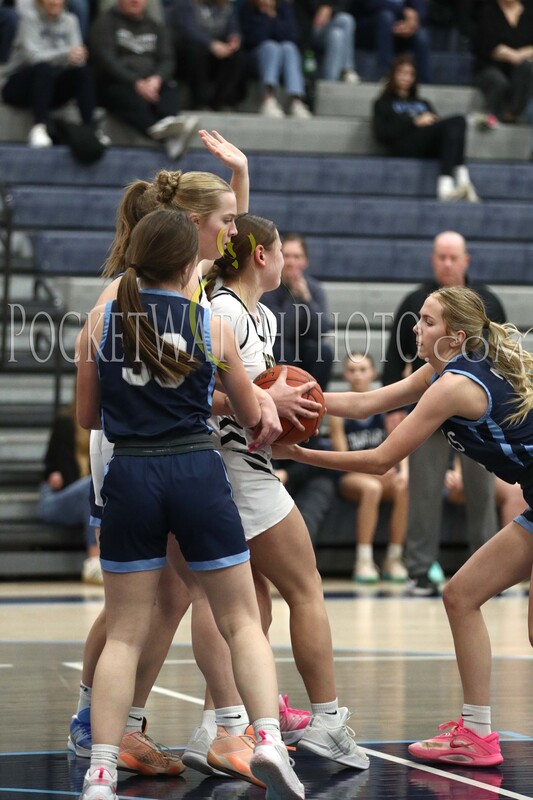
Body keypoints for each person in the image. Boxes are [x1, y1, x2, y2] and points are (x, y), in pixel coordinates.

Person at [69, 134, 313, 779]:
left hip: (148, 444)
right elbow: (116, 400)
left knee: (168, 598)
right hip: (138, 442)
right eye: (226, 221)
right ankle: (112, 717)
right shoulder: (126, 301)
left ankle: (135, 726)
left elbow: (241, 256)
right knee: (156, 602)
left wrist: (241, 172)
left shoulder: (185, 279)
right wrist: (256, 402)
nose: (235, 233)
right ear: (195, 230)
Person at [277, 284, 533, 768]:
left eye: (428, 322)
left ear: (455, 337)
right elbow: (365, 403)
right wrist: (292, 395)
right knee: (460, 595)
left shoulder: (455, 386)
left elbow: (379, 460)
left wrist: (298, 453)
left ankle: (477, 733)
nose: (415, 328)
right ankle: (477, 733)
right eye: (418, 319)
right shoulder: (440, 372)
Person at [203, 213, 370, 776]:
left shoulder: (262, 316)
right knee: (306, 587)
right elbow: (208, 395)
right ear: (261, 257)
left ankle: (224, 726)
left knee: (252, 607)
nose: (285, 261)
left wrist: (283, 409)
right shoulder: (223, 310)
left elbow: (262, 396)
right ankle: (327, 721)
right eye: (278, 251)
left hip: (243, 463)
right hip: (235, 467)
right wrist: (273, 409)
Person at [381, 230, 506, 596]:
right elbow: (395, 358)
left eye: (454, 257)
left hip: (476, 413)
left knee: (481, 490)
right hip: (429, 409)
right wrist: (394, 413)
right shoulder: (415, 301)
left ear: (466, 260)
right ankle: (419, 571)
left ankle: (490, 570)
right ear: (433, 260)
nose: (447, 263)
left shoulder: (488, 303)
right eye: (441, 257)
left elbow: (501, 358)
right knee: (422, 488)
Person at [329, 353, 408, 583]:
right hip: (351, 475)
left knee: (404, 486)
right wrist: (375, 471)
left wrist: (401, 472)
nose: (358, 375)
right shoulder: (338, 410)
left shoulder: (384, 405)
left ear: (373, 374)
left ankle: (394, 559)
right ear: (345, 375)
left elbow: (401, 445)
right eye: (352, 370)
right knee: (372, 488)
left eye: (363, 369)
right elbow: (342, 458)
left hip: (380, 471)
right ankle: (363, 560)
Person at [88, 0, 198, 159]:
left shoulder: (155, 26)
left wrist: (157, 79)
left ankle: (169, 124)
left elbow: (168, 59)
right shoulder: (105, 23)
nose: (135, 1)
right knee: (122, 94)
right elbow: (106, 60)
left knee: (171, 87)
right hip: (119, 81)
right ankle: (163, 132)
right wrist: (135, 82)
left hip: (151, 81)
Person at [373, 54, 480, 202]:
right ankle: (454, 182)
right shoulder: (383, 103)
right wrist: (414, 122)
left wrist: (431, 121)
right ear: (393, 74)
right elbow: (381, 135)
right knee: (455, 123)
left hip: (427, 144)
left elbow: (439, 128)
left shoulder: (423, 102)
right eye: (402, 73)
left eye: (411, 74)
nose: (407, 77)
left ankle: (458, 182)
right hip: (403, 144)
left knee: (458, 122)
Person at [1, 0, 98, 148]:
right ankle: (39, 127)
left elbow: (76, 60)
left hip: (51, 87)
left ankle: (91, 128)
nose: (54, 2)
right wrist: (66, 55)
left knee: (83, 72)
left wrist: (78, 56)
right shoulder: (29, 19)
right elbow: (33, 57)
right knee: (43, 69)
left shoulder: (71, 20)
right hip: (19, 84)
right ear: (40, 2)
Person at [38, 395, 102, 586]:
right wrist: (54, 475)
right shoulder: (65, 422)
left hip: (85, 499)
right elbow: (49, 465)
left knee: (94, 488)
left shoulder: (105, 426)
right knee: (92, 485)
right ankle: (93, 559)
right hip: (56, 498)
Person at [262, 232, 333, 391]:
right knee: (282, 349)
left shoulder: (314, 288)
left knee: (323, 352)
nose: (291, 262)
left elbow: (322, 330)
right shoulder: (268, 286)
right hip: (277, 347)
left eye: (296, 256)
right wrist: (294, 297)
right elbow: (280, 331)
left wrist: (307, 299)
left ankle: (314, 401)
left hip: (304, 348)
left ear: (305, 262)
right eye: (286, 256)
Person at [240, 0, 312, 118]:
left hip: (282, 56)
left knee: (289, 47)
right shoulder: (248, 9)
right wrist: (264, 16)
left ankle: (296, 101)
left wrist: (273, 16)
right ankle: (268, 99)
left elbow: (292, 36)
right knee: (271, 47)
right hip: (256, 56)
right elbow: (253, 38)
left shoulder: (284, 8)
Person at [170, 0, 246, 111]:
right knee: (196, 49)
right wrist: (211, 44)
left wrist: (233, 38)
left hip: (217, 52)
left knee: (237, 53)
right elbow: (189, 30)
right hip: (189, 53)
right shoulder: (184, 4)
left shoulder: (226, 7)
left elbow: (234, 28)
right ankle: (200, 103)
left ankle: (223, 102)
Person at [472, 0, 533, 124]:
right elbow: (486, 44)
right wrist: (514, 55)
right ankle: (492, 117)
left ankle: (513, 113)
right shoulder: (487, 10)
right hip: (490, 65)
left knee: (527, 68)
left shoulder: (530, 9)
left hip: (522, 65)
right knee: (499, 81)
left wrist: (520, 55)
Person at [355, 0, 431, 83]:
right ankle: (386, 74)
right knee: (386, 17)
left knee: (422, 35)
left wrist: (410, 24)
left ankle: (424, 81)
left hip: (402, 25)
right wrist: (403, 11)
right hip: (371, 26)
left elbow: (421, 11)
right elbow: (370, 4)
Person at [294, 0, 359, 82]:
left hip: (330, 25)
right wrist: (321, 8)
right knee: (346, 20)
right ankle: (347, 68)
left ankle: (331, 79)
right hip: (310, 28)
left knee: (336, 35)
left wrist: (330, 8)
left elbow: (342, 4)